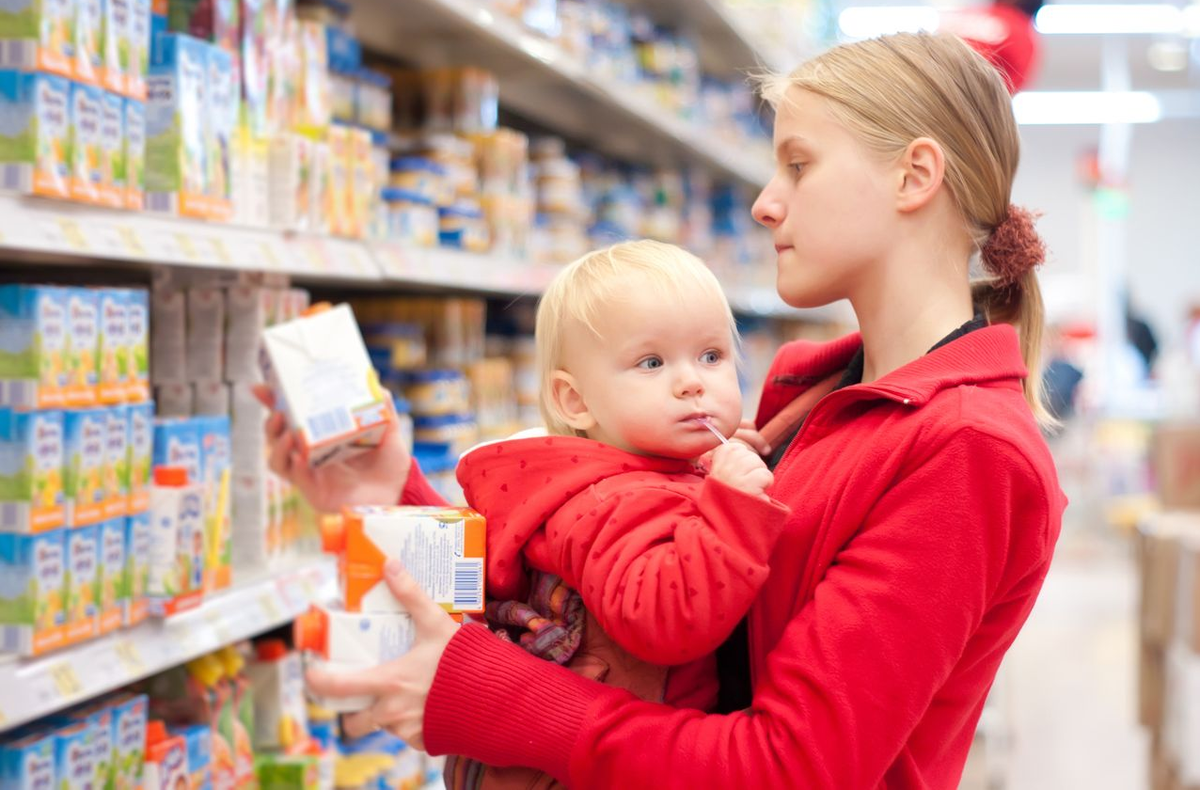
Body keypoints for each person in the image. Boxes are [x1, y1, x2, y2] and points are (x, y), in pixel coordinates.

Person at [263, 32, 1067, 788]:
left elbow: (787, 768)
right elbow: (591, 588)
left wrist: (487, 695)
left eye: (798, 164)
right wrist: (388, 495)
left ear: (913, 175)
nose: (764, 203)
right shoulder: (812, 398)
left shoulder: (967, 449)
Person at [444, 239, 789, 788]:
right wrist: (731, 509)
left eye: (712, 356)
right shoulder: (607, 500)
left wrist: (700, 462)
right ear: (575, 402)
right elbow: (666, 620)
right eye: (651, 362)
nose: (692, 381)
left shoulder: (635, 474)